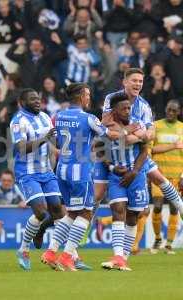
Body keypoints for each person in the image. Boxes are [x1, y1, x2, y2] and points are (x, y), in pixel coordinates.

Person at [40, 83, 118, 272]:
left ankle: (50, 252)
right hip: (79, 172)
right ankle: (67, 257)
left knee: (72, 213)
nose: (89, 97)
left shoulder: (59, 116)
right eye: (88, 94)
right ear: (81, 96)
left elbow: (59, 139)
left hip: (62, 169)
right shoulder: (88, 118)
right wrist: (129, 130)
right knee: (86, 213)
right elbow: (110, 136)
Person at [95, 68, 183, 231]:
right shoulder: (111, 98)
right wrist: (133, 131)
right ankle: (84, 229)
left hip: (133, 153)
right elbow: (106, 122)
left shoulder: (144, 106)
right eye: (134, 80)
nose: (138, 84)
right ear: (125, 82)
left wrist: (131, 137)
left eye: (140, 81)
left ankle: (180, 206)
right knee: (97, 195)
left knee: (158, 178)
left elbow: (150, 134)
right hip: (108, 151)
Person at [10, 88, 64, 271]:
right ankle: (23, 250)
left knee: (58, 210)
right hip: (27, 172)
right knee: (41, 211)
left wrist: (57, 153)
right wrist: (44, 139)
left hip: (46, 171)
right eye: (32, 99)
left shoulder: (46, 117)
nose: (37, 101)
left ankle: (54, 254)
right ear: (22, 102)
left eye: (38, 98)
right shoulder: (18, 121)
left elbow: (51, 144)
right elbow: (21, 148)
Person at [101, 92, 149, 272]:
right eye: (124, 108)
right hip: (116, 176)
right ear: (114, 111)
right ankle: (118, 256)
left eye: (129, 108)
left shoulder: (138, 124)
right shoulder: (106, 126)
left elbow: (145, 151)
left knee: (133, 216)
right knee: (118, 210)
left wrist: (135, 171)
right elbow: (99, 150)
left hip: (136, 176)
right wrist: (112, 168)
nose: (128, 111)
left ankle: (123, 258)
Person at [150, 100, 183, 255]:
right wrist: (172, 146)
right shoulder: (156, 125)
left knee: (174, 209)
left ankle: (169, 243)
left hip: (176, 175)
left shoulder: (182, 128)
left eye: (174, 111)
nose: (170, 113)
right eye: (169, 110)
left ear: (179, 112)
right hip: (158, 174)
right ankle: (157, 238)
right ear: (165, 109)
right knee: (156, 205)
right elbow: (151, 149)